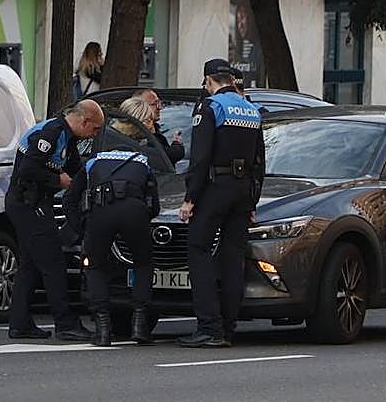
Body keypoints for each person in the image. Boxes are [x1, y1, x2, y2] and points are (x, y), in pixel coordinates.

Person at [178, 58, 266, 348]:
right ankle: (228, 326)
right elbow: (259, 162)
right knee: (233, 257)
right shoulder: (251, 110)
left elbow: (200, 158)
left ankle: (209, 327)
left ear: (209, 81)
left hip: (216, 187)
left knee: (198, 247)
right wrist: (252, 200)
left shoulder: (211, 107)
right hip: (242, 190)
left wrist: (191, 198)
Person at [3, 99, 105, 341]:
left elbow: (76, 170)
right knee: (53, 264)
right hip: (28, 204)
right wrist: (57, 181)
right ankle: (65, 323)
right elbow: (28, 169)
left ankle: (20, 323)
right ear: (84, 121)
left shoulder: (69, 138)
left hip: (34, 204)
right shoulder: (51, 133)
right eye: (95, 129)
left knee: (30, 265)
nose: (95, 134)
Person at [63, 147, 159, 346]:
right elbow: (154, 204)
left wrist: (82, 228)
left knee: (94, 266)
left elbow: (70, 198)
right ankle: (140, 325)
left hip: (101, 211)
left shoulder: (93, 161)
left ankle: (103, 329)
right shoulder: (143, 161)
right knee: (143, 264)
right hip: (134, 211)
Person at [132, 89, 185, 163]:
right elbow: (163, 156)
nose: (159, 107)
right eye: (154, 104)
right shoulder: (135, 135)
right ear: (139, 107)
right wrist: (177, 146)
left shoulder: (154, 128)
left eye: (159, 103)